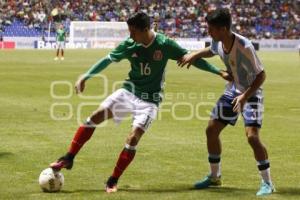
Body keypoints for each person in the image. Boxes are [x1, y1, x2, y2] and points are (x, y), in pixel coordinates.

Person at [50, 12, 230, 193]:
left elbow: (192, 60)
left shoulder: (164, 45)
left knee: (133, 138)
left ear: (146, 30)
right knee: (94, 117)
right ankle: (69, 157)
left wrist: (218, 72)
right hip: (129, 91)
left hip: (150, 101)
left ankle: (113, 180)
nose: (130, 36)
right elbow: (107, 60)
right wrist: (86, 76)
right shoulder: (130, 44)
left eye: (133, 32)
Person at [178, 8, 274, 196]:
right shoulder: (218, 41)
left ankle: (268, 183)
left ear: (223, 29)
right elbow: (212, 50)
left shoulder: (244, 46)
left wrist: (245, 96)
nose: (208, 32)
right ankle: (215, 177)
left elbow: (262, 75)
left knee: (252, 137)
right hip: (233, 91)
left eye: (211, 29)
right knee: (211, 130)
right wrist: (194, 54)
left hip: (251, 92)